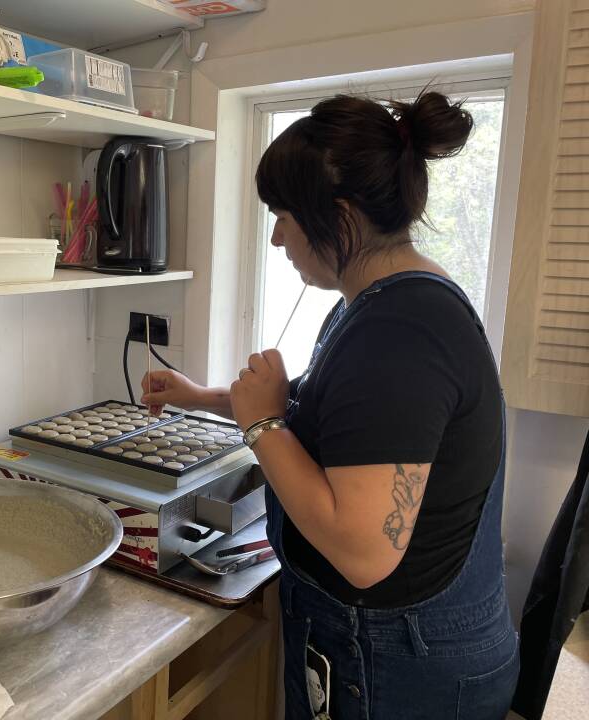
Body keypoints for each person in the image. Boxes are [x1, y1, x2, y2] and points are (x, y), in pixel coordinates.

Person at [142, 91, 519, 719]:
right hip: (400, 649)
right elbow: (348, 424)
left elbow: (364, 552)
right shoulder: (388, 301)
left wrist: (260, 422)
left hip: (398, 664)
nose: (276, 237)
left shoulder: (400, 331)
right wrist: (206, 397)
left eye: (284, 215)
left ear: (339, 217)